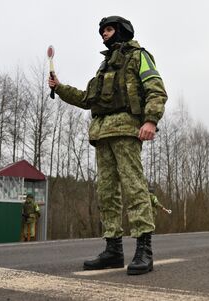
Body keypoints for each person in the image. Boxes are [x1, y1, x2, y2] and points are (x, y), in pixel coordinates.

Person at [48, 16, 168, 275]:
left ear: (122, 31)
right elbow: (87, 98)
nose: (104, 34)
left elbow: (156, 88)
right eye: (102, 31)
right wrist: (59, 88)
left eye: (109, 29)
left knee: (135, 188)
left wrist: (150, 120)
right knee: (106, 193)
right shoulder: (104, 67)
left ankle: (143, 249)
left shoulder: (139, 56)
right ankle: (113, 249)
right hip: (102, 134)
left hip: (127, 130)